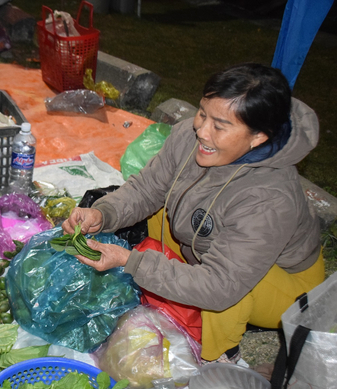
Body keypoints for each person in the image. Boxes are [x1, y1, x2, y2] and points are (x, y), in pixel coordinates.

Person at [63, 63, 324, 364]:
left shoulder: (270, 198)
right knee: (155, 214)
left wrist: (131, 261)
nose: (201, 130)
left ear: (258, 138)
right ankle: (178, 280)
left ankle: (219, 358)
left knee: (227, 296)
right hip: (211, 245)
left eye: (219, 126)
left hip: (284, 285)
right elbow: (148, 188)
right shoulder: (190, 136)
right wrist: (104, 213)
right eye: (202, 113)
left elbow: (220, 285)